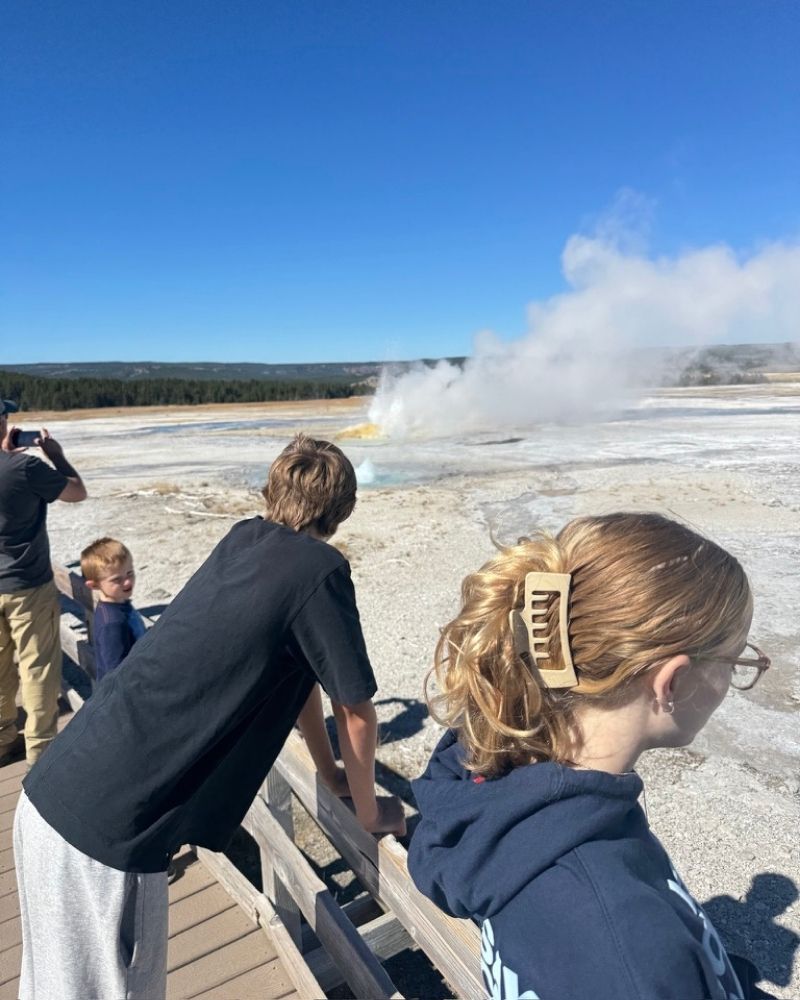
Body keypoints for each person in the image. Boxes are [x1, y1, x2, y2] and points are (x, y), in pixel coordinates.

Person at [14, 433, 405, 1000]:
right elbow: (356, 708)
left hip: (51, 791)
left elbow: (299, 677)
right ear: (342, 507)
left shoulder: (244, 538)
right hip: (107, 834)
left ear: (274, 489)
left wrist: (329, 772)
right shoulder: (318, 570)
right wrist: (368, 810)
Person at [408, 512, 771, 1000]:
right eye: (735, 661)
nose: (731, 680)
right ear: (672, 681)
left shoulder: (498, 770)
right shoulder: (629, 952)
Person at [0, 399, 87, 768]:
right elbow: (76, 492)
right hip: (27, 586)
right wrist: (56, 455)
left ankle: (3, 739)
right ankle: (41, 757)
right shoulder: (25, 468)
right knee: (37, 670)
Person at [80, 537, 147, 681]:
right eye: (117, 579)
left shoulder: (118, 604)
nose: (127, 582)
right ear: (94, 585)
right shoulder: (112, 624)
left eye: (130, 573)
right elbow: (116, 674)